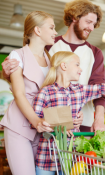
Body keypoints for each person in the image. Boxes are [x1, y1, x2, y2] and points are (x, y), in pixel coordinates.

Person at [2, 0, 105, 133]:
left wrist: (98, 120)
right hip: (51, 121)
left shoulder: (95, 53)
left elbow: (99, 88)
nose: (92, 28)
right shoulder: (48, 45)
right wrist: (7, 74)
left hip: (83, 121)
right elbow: (29, 76)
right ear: (75, 17)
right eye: (88, 22)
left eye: (94, 24)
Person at [0, 11, 79, 175]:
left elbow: (57, 94)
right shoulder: (17, 55)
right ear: (37, 30)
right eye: (51, 27)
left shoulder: (51, 60)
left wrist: (72, 117)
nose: (55, 32)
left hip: (43, 130)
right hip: (20, 127)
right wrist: (36, 121)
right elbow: (19, 94)